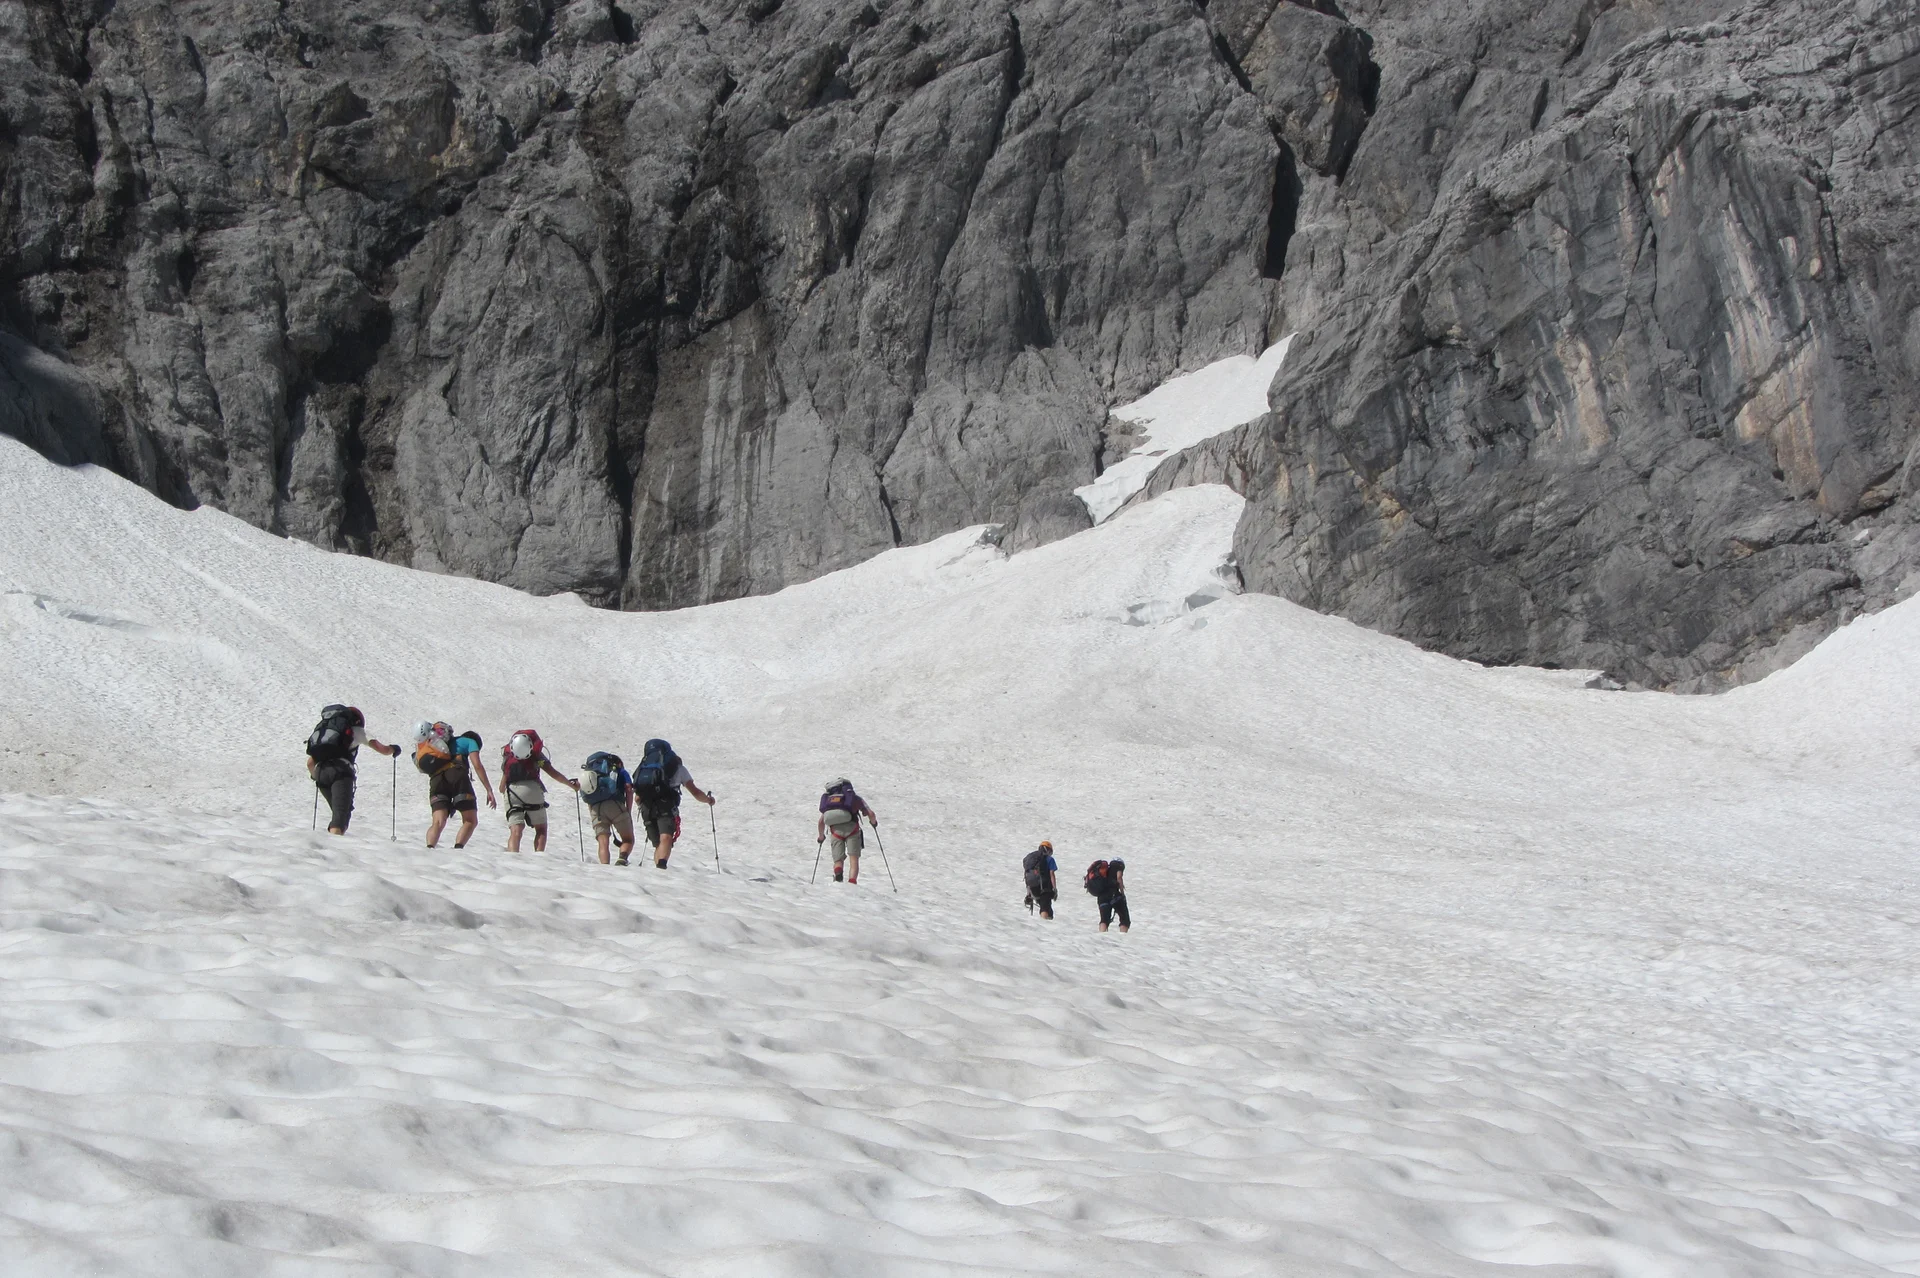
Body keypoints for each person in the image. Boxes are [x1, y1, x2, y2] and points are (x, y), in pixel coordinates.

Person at [304, 704, 401, 835]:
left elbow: (310, 763)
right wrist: (393, 749)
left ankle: (332, 839)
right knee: (340, 818)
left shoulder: (328, 734)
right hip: (341, 773)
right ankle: (334, 844)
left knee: (340, 813)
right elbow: (382, 749)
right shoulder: (356, 731)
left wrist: (317, 778)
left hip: (321, 773)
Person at [632, 738, 714, 869]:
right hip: (666, 805)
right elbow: (695, 792)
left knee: (658, 844)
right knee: (666, 838)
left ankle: (658, 869)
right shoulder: (679, 768)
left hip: (646, 807)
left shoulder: (644, 767)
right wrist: (708, 800)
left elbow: (637, 797)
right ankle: (661, 867)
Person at [413, 721, 496, 848]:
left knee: (438, 822)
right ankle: (458, 849)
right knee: (470, 820)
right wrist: (489, 789)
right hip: (457, 776)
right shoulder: (470, 741)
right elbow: (477, 765)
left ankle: (429, 849)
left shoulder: (438, 744)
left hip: (436, 779)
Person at [500, 728, 579, 853]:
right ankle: (539, 857)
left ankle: (512, 856)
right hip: (533, 791)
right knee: (541, 829)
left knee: (516, 830)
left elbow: (501, 787)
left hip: (512, 792)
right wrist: (571, 785)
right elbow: (553, 773)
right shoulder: (536, 756)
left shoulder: (509, 756)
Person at [816, 777, 878, 884]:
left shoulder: (830, 801)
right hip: (852, 830)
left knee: (838, 859)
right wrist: (874, 823)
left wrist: (821, 836)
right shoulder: (853, 798)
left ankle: (838, 872)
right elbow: (871, 814)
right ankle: (852, 882)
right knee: (854, 859)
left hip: (835, 831)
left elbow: (821, 822)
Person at [578, 751, 635, 865]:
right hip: (615, 805)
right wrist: (628, 810)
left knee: (603, 842)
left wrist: (593, 813)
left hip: (596, 808)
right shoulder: (619, 770)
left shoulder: (591, 774)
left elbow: (588, 795)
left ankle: (605, 867)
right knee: (628, 839)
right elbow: (629, 788)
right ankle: (622, 858)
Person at [1087, 858, 1130, 932]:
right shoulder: (1118, 866)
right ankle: (1123, 936)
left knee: (1104, 919)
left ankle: (1102, 934)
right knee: (1124, 919)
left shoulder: (1105, 870)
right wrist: (1122, 893)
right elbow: (1119, 877)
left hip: (1102, 897)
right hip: (1114, 895)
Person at [1022, 841, 1058, 919]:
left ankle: (1047, 922)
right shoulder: (1049, 859)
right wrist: (1054, 889)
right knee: (1045, 908)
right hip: (1044, 887)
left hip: (1033, 888)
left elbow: (1027, 876)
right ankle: (1043, 923)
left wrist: (1028, 894)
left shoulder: (1032, 861)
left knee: (1048, 910)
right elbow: (1051, 874)